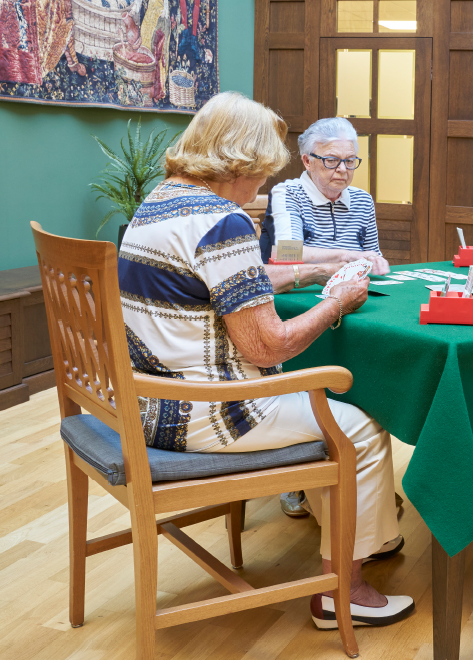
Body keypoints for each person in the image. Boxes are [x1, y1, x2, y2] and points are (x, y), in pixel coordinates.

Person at [118, 92, 414, 629]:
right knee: (363, 426)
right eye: (260, 171)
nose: (261, 188)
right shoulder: (221, 220)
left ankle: (357, 539)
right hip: (208, 412)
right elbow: (268, 347)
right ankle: (342, 590)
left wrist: (310, 273)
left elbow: (231, 281)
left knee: (332, 416)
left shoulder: (159, 203)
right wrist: (337, 302)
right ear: (238, 161)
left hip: (145, 403)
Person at [262, 117, 390, 276]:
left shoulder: (363, 200)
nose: (343, 169)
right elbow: (288, 253)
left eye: (350, 161)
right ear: (307, 161)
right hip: (299, 289)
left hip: (351, 288)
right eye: (331, 160)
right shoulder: (288, 193)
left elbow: (373, 257)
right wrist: (346, 255)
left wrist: (375, 261)